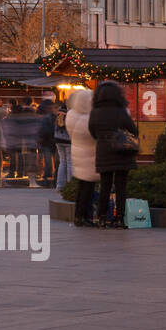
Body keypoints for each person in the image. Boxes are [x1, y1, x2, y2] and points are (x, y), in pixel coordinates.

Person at [88, 81, 138, 229]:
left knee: (105, 186)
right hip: (123, 153)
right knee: (121, 188)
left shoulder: (95, 112)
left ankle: (102, 218)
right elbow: (134, 130)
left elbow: (92, 132)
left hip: (104, 151)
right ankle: (119, 219)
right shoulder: (121, 111)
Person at [66, 88, 98, 226]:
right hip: (89, 156)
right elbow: (93, 136)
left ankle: (79, 215)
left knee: (82, 187)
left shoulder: (71, 114)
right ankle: (83, 216)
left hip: (78, 153)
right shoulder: (86, 118)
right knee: (88, 188)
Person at [36, 100, 57, 187]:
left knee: (49, 161)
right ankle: (51, 178)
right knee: (52, 161)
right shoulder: (50, 117)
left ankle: (48, 178)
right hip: (51, 142)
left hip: (48, 142)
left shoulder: (46, 118)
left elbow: (44, 131)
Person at [54, 98, 72, 192]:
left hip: (58, 139)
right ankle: (70, 185)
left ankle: (59, 185)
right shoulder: (70, 113)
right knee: (69, 163)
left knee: (62, 162)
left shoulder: (59, 113)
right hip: (68, 140)